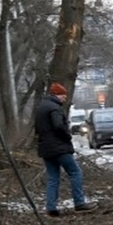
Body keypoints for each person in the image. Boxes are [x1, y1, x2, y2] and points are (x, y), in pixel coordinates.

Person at [34, 82, 97, 216]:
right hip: (59, 147)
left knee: (53, 177)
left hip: (45, 148)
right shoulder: (55, 108)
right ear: (57, 95)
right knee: (75, 172)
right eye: (63, 96)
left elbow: (37, 129)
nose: (65, 99)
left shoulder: (41, 108)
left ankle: (51, 208)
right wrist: (67, 136)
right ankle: (79, 203)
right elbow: (58, 126)